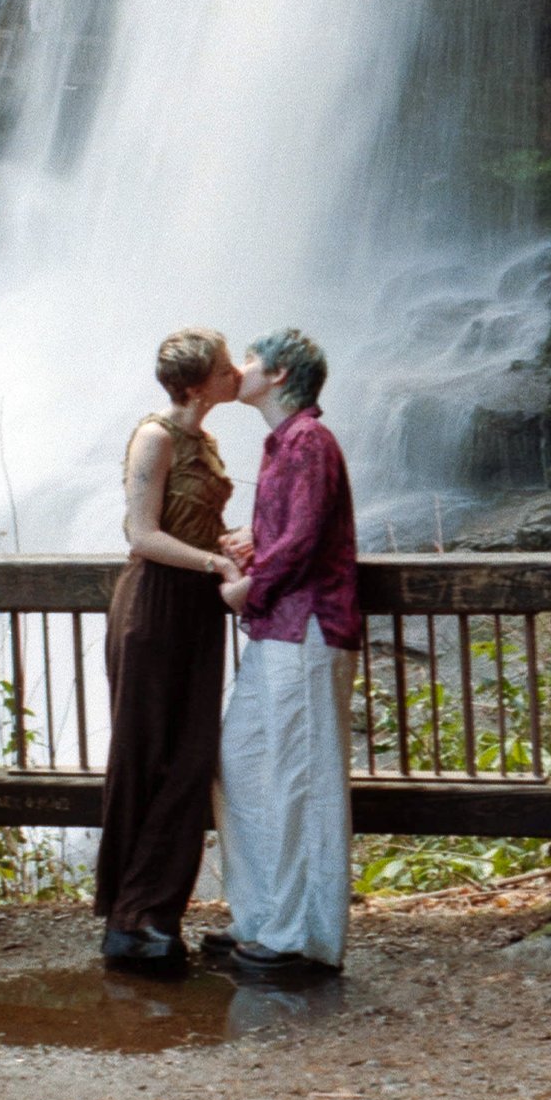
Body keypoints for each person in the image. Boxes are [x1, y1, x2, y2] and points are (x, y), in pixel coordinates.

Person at [205, 329, 362, 976]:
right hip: (280, 631)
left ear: (279, 373)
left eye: (248, 358)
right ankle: (262, 916)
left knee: (299, 778)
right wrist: (254, 536)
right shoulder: (285, 444)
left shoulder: (306, 441)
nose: (238, 368)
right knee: (241, 763)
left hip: (308, 629)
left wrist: (248, 585)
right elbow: (293, 530)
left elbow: (301, 543)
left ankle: (300, 938)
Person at [96, 327, 244, 969]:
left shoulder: (205, 438)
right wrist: (216, 562)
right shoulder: (155, 436)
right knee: (148, 754)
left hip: (197, 610)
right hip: (155, 604)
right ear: (196, 382)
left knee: (190, 759)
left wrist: (235, 543)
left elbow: (190, 522)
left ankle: (156, 911)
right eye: (224, 365)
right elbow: (142, 532)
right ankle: (131, 923)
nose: (236, 371)